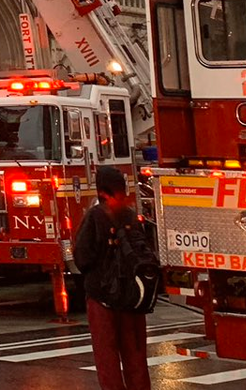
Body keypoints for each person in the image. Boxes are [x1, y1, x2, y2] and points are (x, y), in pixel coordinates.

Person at [74, 165, 153, 390]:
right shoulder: (131, 215)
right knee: (135, 354)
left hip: (103, 296)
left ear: (100, 189)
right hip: (133, 297)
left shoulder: (95, 216)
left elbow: (83, 257)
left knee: (107, 355)